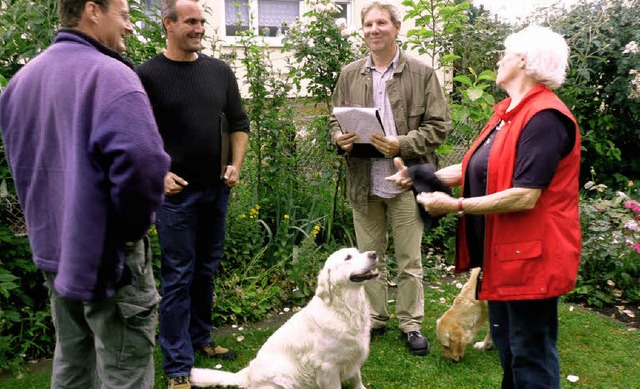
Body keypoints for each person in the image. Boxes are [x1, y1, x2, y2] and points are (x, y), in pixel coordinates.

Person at [389, 25, 581, 388]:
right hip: (505, 255)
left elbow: (526, 194)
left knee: (531, 354)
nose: (499, 59)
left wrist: (456, 205)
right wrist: (421, 175)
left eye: (505, 53)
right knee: (511, 350)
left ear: (523, 61)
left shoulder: (544, 118)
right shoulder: (509, 113)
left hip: (531, 260)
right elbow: (477, 167)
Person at [0, 0, 170, 387]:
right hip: (107, 255)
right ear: (93, 10)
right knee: (123, 371)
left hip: (53, 250)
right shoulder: (110, 75)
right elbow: (144, 161)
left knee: (73, 362)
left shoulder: (22, 82)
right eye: (124, 15)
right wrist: (131, 229)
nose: (129, 27)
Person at [136, 0, 250, 387]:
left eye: (202, 21)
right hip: (176, 195)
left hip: (216, 190)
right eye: (190, 21)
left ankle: (200, 337)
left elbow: (239, 122)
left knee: (205, 270)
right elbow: (135, 133)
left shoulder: (219, 71)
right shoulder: (147, 74)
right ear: (167, 24)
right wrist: (158, 173)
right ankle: (177, 366)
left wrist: (236, 164)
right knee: (179, 277)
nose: (199, 28)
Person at [329, 0, 451, 356]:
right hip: (364, 181)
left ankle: (411, 324)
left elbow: (439, 126)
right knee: (370, 257)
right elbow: (334, 121)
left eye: (381, 23)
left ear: (396, 28)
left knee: (409, 260)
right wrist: (339, 138)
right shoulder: (350, 74)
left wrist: (403, 143)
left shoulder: (421, 73)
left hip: (404, 180)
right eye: (368, 24)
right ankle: (376, 319)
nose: (373, 30)